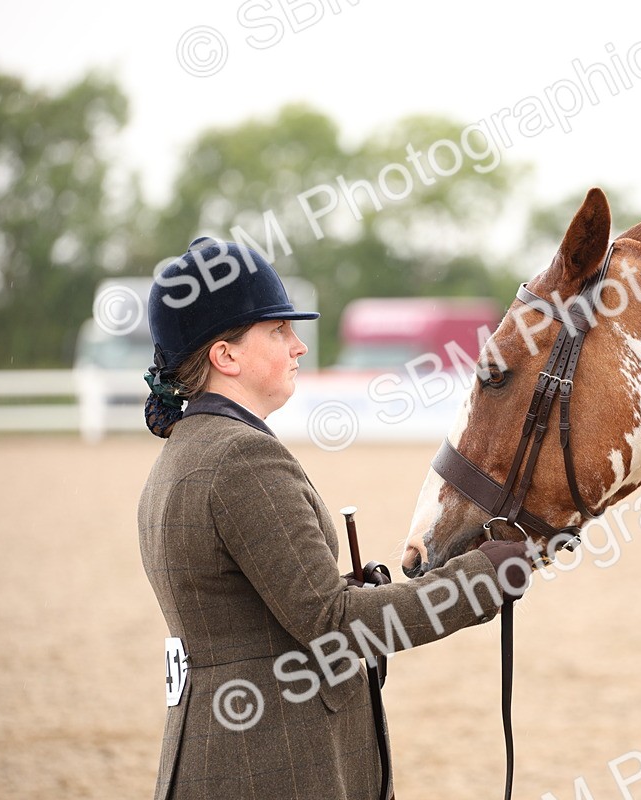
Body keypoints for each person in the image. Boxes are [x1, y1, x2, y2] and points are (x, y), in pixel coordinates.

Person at [137, 238, 531, 800]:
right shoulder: (242, 457)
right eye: (278, 331)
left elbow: (249, 609)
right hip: (270, 767)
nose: (298, 346)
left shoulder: (184, 450)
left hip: (220, 755)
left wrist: (342, 584)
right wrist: (480, 580)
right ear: (226, 356)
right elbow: (333, 624)